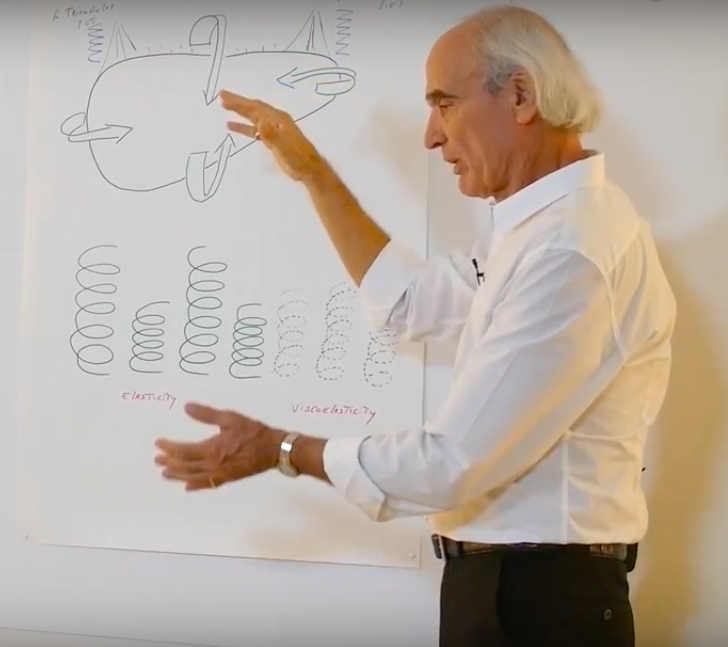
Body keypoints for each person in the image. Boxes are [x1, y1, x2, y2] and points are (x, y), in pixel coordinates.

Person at [154, 5, 676, 646]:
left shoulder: (569, 250)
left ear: (519, 95)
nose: (431, 137)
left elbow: (454, 460)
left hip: (540, 603)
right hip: (514, 592)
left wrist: (281, 450)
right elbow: (407, 302)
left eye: (444, 104)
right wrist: (313, 172)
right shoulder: (541, 234)